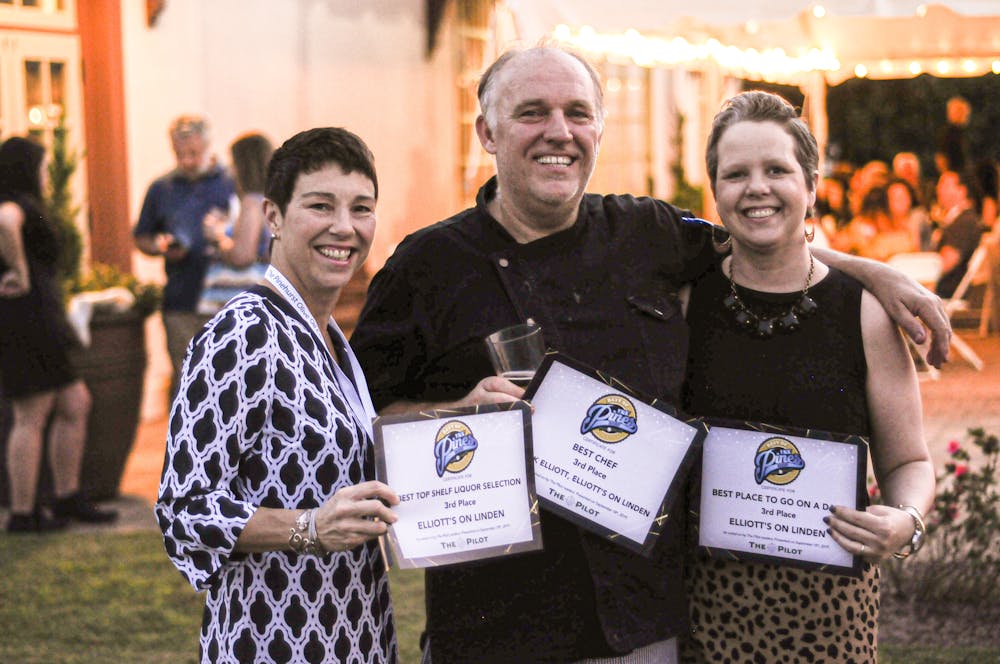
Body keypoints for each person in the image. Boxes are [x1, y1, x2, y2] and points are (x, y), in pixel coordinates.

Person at [350, 45, 950, 664]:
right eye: (532, 112)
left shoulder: (648, 234)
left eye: (578, 112)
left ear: (598, 131)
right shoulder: (425, 268)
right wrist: (451, 418)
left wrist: (876, 274)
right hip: (495, 631)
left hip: (643, 633)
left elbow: (760, 239)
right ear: (487, 132)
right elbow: (356, 425)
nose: (560, 131)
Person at [680, 90, 936, 663]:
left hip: (829, 617)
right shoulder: (683, 303)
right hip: (700, 610)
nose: (757, 188)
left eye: (777, 169)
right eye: (736, 173)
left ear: (812, 185)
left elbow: (908, 462)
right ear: (715, 190)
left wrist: (907, 521)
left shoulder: (865, 313)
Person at [156, 127, 399, 662]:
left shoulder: (328, 336)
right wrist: (310, 527)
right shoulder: (241, 334)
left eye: (362, 208)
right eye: (320, 205)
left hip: (354, 628)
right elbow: (183, 508)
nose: (345, 227)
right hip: (272, 636)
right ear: (273, 217)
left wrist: (466, 412)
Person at [0, 136, 117, 532]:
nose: (48, 172)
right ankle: (21, 513)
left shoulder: (26, 203)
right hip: (26, 323)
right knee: (30, 414)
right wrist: (19, 271)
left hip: (39, 322)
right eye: (43, 165)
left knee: (74, 404)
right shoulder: (16, 202)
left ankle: (66, 497)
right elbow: (4, 222)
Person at [133, 115, 235, 393]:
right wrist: (160, 246)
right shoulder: (160, 188)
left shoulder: (231, 183)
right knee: (188, 381)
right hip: (180, 300)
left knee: (229, 381)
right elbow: (142, 237)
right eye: (180, 154)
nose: (187, 161)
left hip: (226, 299)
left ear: (208, 146)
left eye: (194, 153)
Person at [197, 132, 274, 315]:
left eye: (234, 163)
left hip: (244, 302)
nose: (231, 170)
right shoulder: (274, 200)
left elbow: (242, 255)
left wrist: (218, 235)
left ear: (244, 166)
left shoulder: (252, 202)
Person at [934, 169, 984, 297]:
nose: (939, 189)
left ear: (963, 190)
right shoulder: (961, 219)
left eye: (945, 185)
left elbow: (946, 262)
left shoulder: (964, 222)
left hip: (948, 293)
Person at [935, 96, 970, 175]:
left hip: (962, 175)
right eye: (959, 111)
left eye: (963, 111)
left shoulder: (963, 133)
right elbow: (941, 156)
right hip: (952, 175)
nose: (962, 114)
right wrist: (946, 174)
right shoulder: (947, 133)